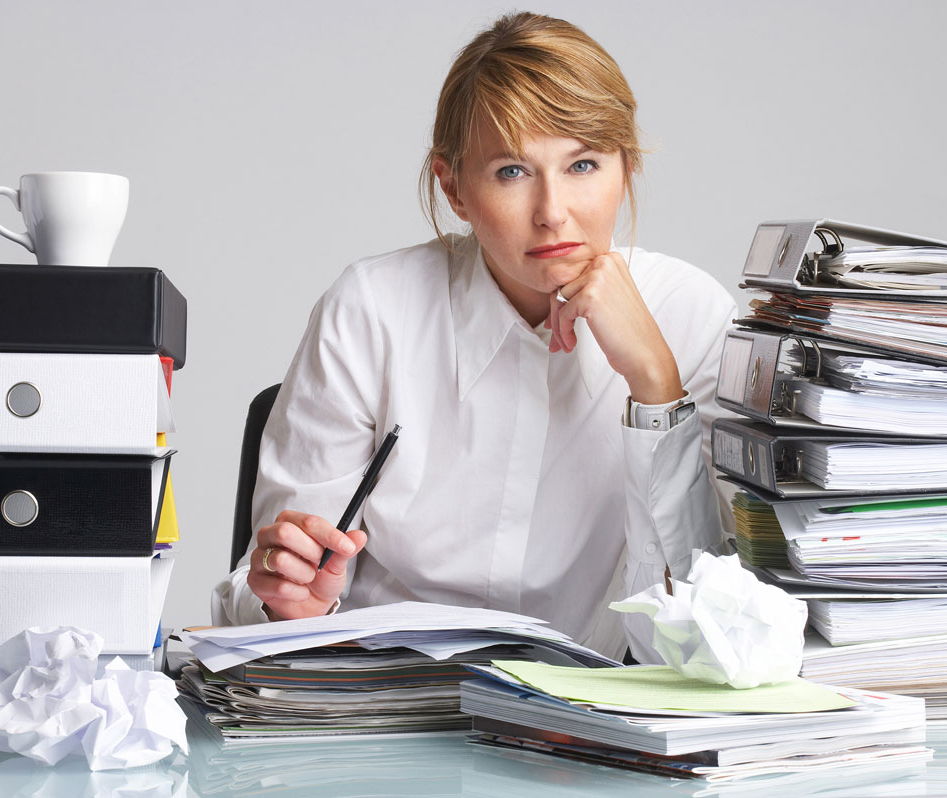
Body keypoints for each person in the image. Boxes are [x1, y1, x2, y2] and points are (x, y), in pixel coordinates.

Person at [212, 11, 738, 661]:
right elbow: (259, 593)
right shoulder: (372, 310)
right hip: (379, 708)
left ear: (625, 168)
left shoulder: (691, 315)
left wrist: (657, 388)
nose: (553, 212)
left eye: (583, 164)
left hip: (576, 729)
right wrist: (288, 598)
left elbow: (698, 642)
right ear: (453, 186)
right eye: (512, 172)